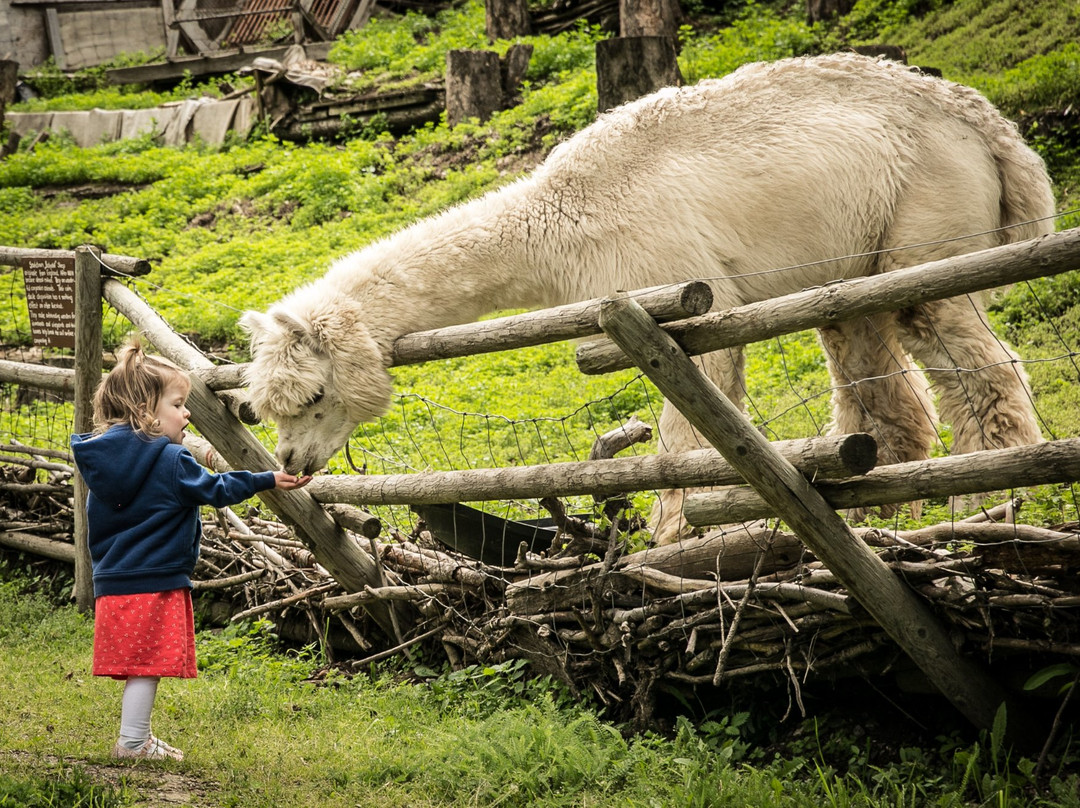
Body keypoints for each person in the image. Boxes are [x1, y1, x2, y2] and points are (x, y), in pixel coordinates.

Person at [71, 338, 311, 761]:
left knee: (139, 667)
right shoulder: (170, 460)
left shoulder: (104, 462)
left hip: (114, 580)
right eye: (178, 404)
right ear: (147, 412)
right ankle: (131, 743)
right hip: (154, 578)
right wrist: (265, 479)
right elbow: (215, 489)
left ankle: (138, 736)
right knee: (147, 669)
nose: (186, 414)